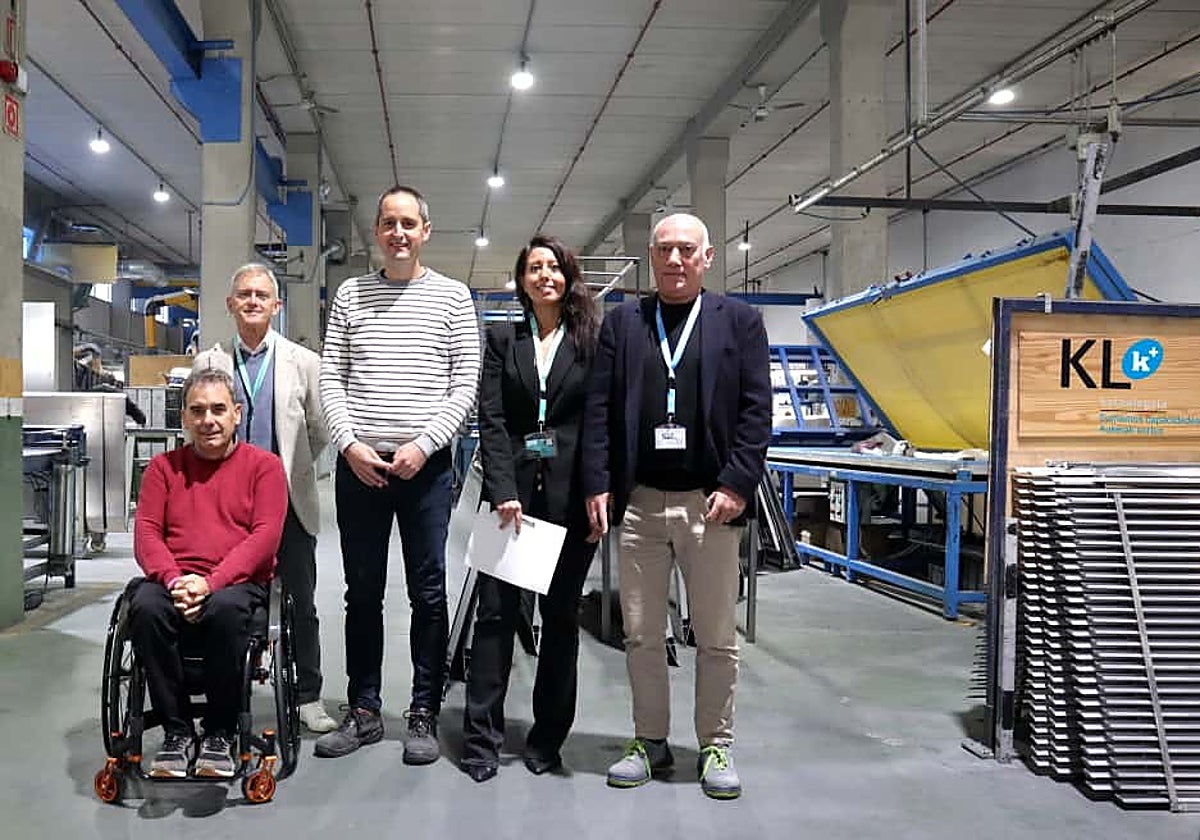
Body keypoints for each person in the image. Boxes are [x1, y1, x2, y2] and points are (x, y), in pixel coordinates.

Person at [580, 213, 771, 800]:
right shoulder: (624, 324)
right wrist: (598, 483)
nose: (674, 260)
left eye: (686, 249)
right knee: (641, 634)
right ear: (651, 256)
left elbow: (756, 411)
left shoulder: (739, 322)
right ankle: (650, 740)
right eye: (664, 250)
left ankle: (716, 744)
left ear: (707, 257)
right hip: (640, 504)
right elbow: (599, 409)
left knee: (715, 636)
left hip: (710, 507)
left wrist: (737, 484)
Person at [317, 185, 481, 765]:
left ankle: (422, 711)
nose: (399, 233)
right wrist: (349, 444)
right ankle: (363, 709)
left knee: (427, 592)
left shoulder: (453, 298)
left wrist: (424, 444)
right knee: (361, 592)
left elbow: (464, 383)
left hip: (425, 471)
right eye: (389, 223)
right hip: (359, 467)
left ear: (425, 231)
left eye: (409, 223)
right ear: (377, 232)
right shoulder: (350, 295)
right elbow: (331, 376)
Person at [460, 235, 600, 783]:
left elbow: (598, 421)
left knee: (560, 620)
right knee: (495, 617)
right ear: (522, 280)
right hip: (510, 501)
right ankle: (481, 740)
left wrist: (597, 489)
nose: (545, 275)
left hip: (570, 501)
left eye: (553, 267)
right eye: (534, 268)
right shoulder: (503, 340)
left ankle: (547, 741)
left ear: (568, 277)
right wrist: (502, 488)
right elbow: (491, 419)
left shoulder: (591, 341)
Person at [193, 262, 337, 734]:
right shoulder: (209, 363)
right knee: (225, 596)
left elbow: (319, 428)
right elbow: (198, 426)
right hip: (225, 505)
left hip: (287, 503)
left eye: (261, 295)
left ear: (276, 305)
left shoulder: (303, 362)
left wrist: (290, 468)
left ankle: (308, 695)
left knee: (301, 601)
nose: (252, 301)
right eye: (244, 294)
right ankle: (225, 689)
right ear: (230, 304)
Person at [129, 367, 288, 778]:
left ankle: (220, 731)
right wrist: (175, 581)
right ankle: (177, 732)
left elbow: (265, 538)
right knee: (145, 607)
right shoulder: (163, 469)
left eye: (218, 409)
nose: (208, 420)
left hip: (237, 584)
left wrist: (210, 583)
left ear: (237, 413)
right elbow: (147, 534)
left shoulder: (265, 467)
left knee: (226, 609)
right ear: (184, 417)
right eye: (197, 411)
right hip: (175, 581)